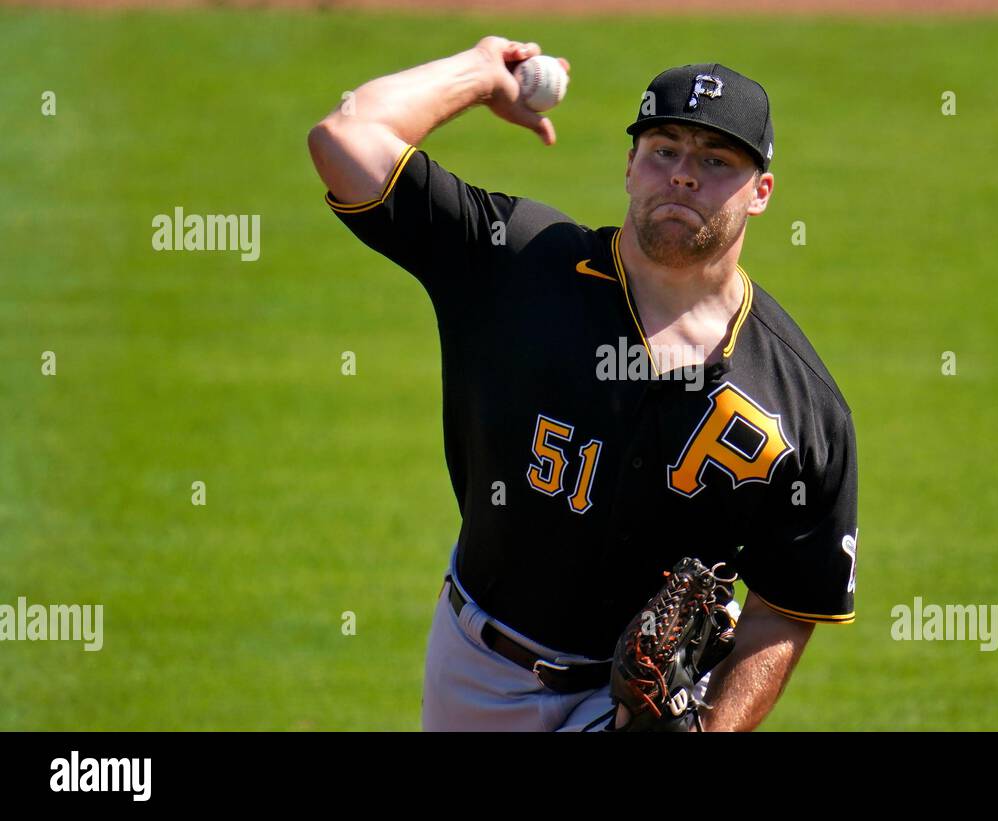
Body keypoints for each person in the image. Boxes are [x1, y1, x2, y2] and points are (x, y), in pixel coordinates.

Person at [307, 36, 858, 731]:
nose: (683, 175)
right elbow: (344, 139)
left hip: (636, 713)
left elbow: (786, 603)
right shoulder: (518, 262)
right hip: (475, 671)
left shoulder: (803, 406)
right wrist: (478, 74)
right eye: (664, 149)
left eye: (716, 161)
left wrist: (711, 729)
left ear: (762, 193)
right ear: (630, 166)